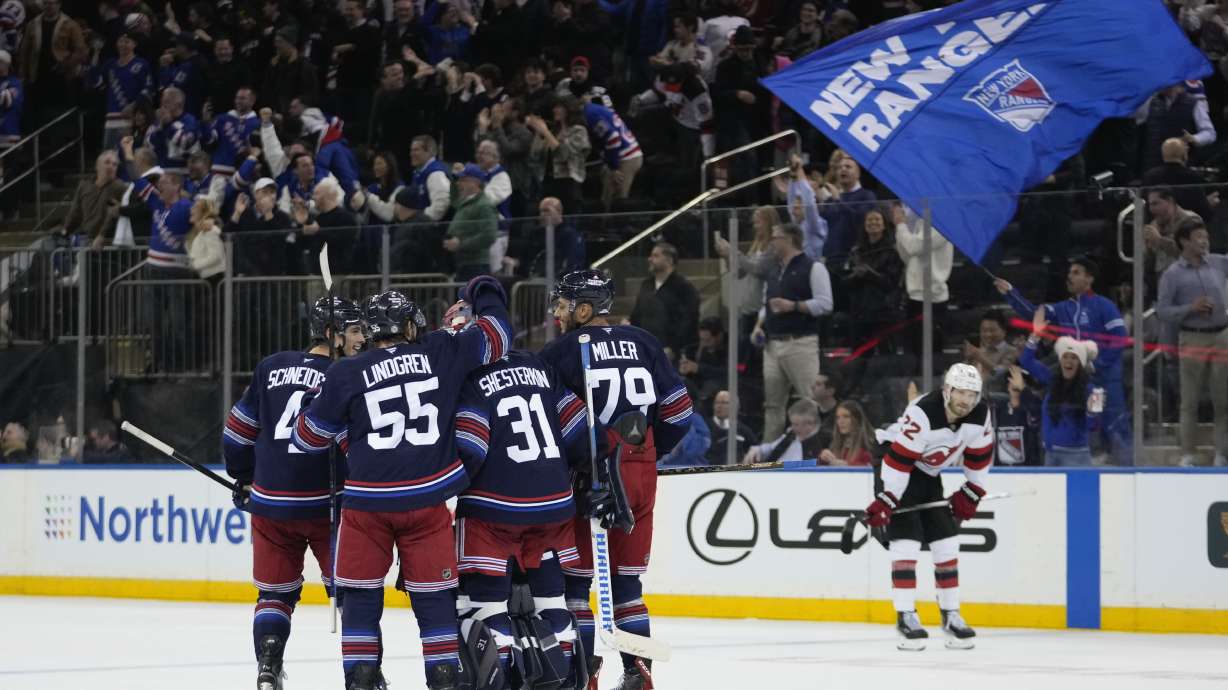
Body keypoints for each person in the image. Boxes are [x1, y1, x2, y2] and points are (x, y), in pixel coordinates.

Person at [292, 278, 512, 690]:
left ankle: (361, 679)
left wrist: (317, 399)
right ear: (410, 328)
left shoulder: (346, 371)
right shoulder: (441, 350)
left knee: (359, 602)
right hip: (427, 502)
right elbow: (498, 335)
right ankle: (444, 678)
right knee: (434, 606)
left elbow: (307, 438)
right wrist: (483, 290)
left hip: (366, 508)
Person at [540, 269, 695, 690]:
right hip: (641, 474)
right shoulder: (644, 342)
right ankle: (639, 675)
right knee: (627, 584)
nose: (557, 313)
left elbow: (558, 424)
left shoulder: (559, 352)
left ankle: (582, 677)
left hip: (589, 476)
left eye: (564, 304)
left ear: (584, 309)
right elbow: (680, 413)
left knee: (575, 584)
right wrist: (645, 453)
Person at [224, 297, 364, 690]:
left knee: (275, 594)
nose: (361, 337)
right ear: (332, 335)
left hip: (272, 504)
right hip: (328, 506)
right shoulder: (347, 374)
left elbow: (237, 433)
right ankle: (365, 675)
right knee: (353, 594)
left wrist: (244, 477)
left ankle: (268, 667)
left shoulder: (270, 367)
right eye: (353, 330)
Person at [452, 336, 592, 687]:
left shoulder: (472, 377)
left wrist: (444, 483)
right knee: (553, 601)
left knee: (487, 609)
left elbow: (471, 447)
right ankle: (564, 681)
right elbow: (580, 431)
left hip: (493, 509)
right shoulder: (541, 367)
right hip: (554, 505)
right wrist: (595, 472)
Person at [867, 363, 993, 650]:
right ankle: (906, 616)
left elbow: (979, 455)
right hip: (894, 463)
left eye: (972, 394)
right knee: (906, 541)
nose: (965, 400)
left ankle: (951, 616)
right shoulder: (923, 412)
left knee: (946, 540)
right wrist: (887, 498)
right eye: (960, 392)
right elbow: (899, 460)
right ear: (947, 390)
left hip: (927, 473)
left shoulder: (980, 415)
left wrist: (973, 489)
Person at [995, 255, 1130, 464]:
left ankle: (1126, 476)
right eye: (1069, 273)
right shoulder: (1062, 308)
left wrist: (1097, 364)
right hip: (1075, 381)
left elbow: (1120, 339)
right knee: (1083, 426)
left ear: (1089, 279)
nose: (1069, 277)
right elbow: (1035, 315)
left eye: (1076, 273)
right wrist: (1012, 294)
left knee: (1115, 428)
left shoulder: (1104, 306)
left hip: (1105, 379)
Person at [751, 223, 834, 441]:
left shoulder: (813, 267)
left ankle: (816, 448)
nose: (772, 242)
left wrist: (794, 306)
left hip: (800, 342)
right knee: (772, 405)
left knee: (810, 398)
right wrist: (758, 326)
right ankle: (770, 456)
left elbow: (825, 304)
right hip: (772, 345)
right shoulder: (774, 271)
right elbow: (765, 304)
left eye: (776, 237)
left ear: (789, 240)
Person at [1156, 218, 1228, 467]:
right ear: (1184, 241)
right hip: (1192, 335)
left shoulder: (1219, 263)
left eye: (1205, 234)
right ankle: (1188, 453)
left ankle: (1222, 453)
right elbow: (1163, 311)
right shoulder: (1172, 274)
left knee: (1223, 398)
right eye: (1198, 236)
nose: (1204, 239)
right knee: (1190, 399)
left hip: (1222, 336)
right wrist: (1191, 307)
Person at [1019, 323, 1104, 467]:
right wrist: (1035, 337)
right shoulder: (1051, 379)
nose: (1068, 361)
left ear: (1080, 363)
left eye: (1074, 358)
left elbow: (1093, 427)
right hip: (1050, 454)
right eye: (1065, 356)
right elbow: (1026, 361)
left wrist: (1091, 413)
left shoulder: (1089, 389)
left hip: (1076, 457)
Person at [895, 203, 953, 365]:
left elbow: (914, 247)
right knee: (913, 353)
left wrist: (900, 225)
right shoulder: (920, 224)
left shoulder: (942, 225)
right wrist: (901, 229)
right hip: (914, 296)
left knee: (929, 356)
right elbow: (908, 255)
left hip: (932, 298)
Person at [844, 207, 904, 356]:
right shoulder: (856, 251)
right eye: (869, 219)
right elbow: (846, 281)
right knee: (860, 356)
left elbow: (892, 283)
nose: (873, 222)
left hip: (884, 311)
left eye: (877, 219)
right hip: (860, 311)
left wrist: (869, 274)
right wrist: (855, 276)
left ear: (884, 224)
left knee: (887, 355)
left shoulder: (892, 250)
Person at [629, 242, 700, 362]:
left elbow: (689, 320)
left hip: (672, 353)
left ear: (669, 260)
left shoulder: (684, 287)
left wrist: (673, 348)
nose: (650, 259)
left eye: (655, 256)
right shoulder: (646, 285)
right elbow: (637, 314)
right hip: (646, 349)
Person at [445, 164, 499, 282]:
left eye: (463, 180)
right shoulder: (466, 201)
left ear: (475, 182)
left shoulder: (483, 205)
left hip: (476, 265)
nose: (459, 184)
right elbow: (454, 197)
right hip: (464, 263)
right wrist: (454, 178)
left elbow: (489, 235)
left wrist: (461, 244)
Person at [64, 151, 127, 249]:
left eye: (114, 165)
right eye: (107, 162)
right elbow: (75, 213)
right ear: (97, 166)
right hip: (85, 239)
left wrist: (103, 234)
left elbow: (116, 214)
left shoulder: (120, 187)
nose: (111, 166)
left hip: (107, 243)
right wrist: (64, 231)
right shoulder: (84, 185)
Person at [744, 398, 824, 463]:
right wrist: (757, 450)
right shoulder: (791, 434)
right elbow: (771, 447)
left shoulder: (821, 442)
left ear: (810, 424)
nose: (792, 427)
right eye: (792, 423)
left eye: (796, 424)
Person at [678, 316, 727, 414]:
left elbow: (728, 373)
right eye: (702, 340)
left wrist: (699, 368)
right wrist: (684, 368)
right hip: (697, 387)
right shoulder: (695, 349)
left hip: (717, 387)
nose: (704, 343)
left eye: (707, 340)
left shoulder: (730, 348)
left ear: (719, 336)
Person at [964, 309, 1018, 394]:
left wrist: (980, 358)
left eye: (992, 330)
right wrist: (968, 361)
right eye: (984, 330)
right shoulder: (977, 351)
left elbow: (1001, 374)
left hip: (997, 397)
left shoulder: (1012, 351)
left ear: (1004, 331)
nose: (988, 334)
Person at [705, 390, 758, 465]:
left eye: (724, 403)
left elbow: (755, 451)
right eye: (717, 402)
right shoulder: (703, 427)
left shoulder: (744, 431)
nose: (719, 406)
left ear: (736, 406)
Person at [820, 400, 875, 466]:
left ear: (857, 419)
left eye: (846, 416)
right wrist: (823, 458)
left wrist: (846, 465)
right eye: (838, 417)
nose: (841, 421)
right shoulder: (836, 444)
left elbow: (872, 467)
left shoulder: (870, 444)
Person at [186, 197, 225, 280]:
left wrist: (195, 265)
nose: (191, 209)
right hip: (203, 278)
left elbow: (216, 256)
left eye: (195, 207)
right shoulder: (195, 233)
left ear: (203, 212)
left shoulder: (210, 230)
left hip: (214, 279)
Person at [809, 372, 841, 450]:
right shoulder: (809, 412)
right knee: (775, 463)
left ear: (830, 391)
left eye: (818, 384)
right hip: (803, 458)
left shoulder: (844, 415)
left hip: (828, 459)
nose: (812, 387)